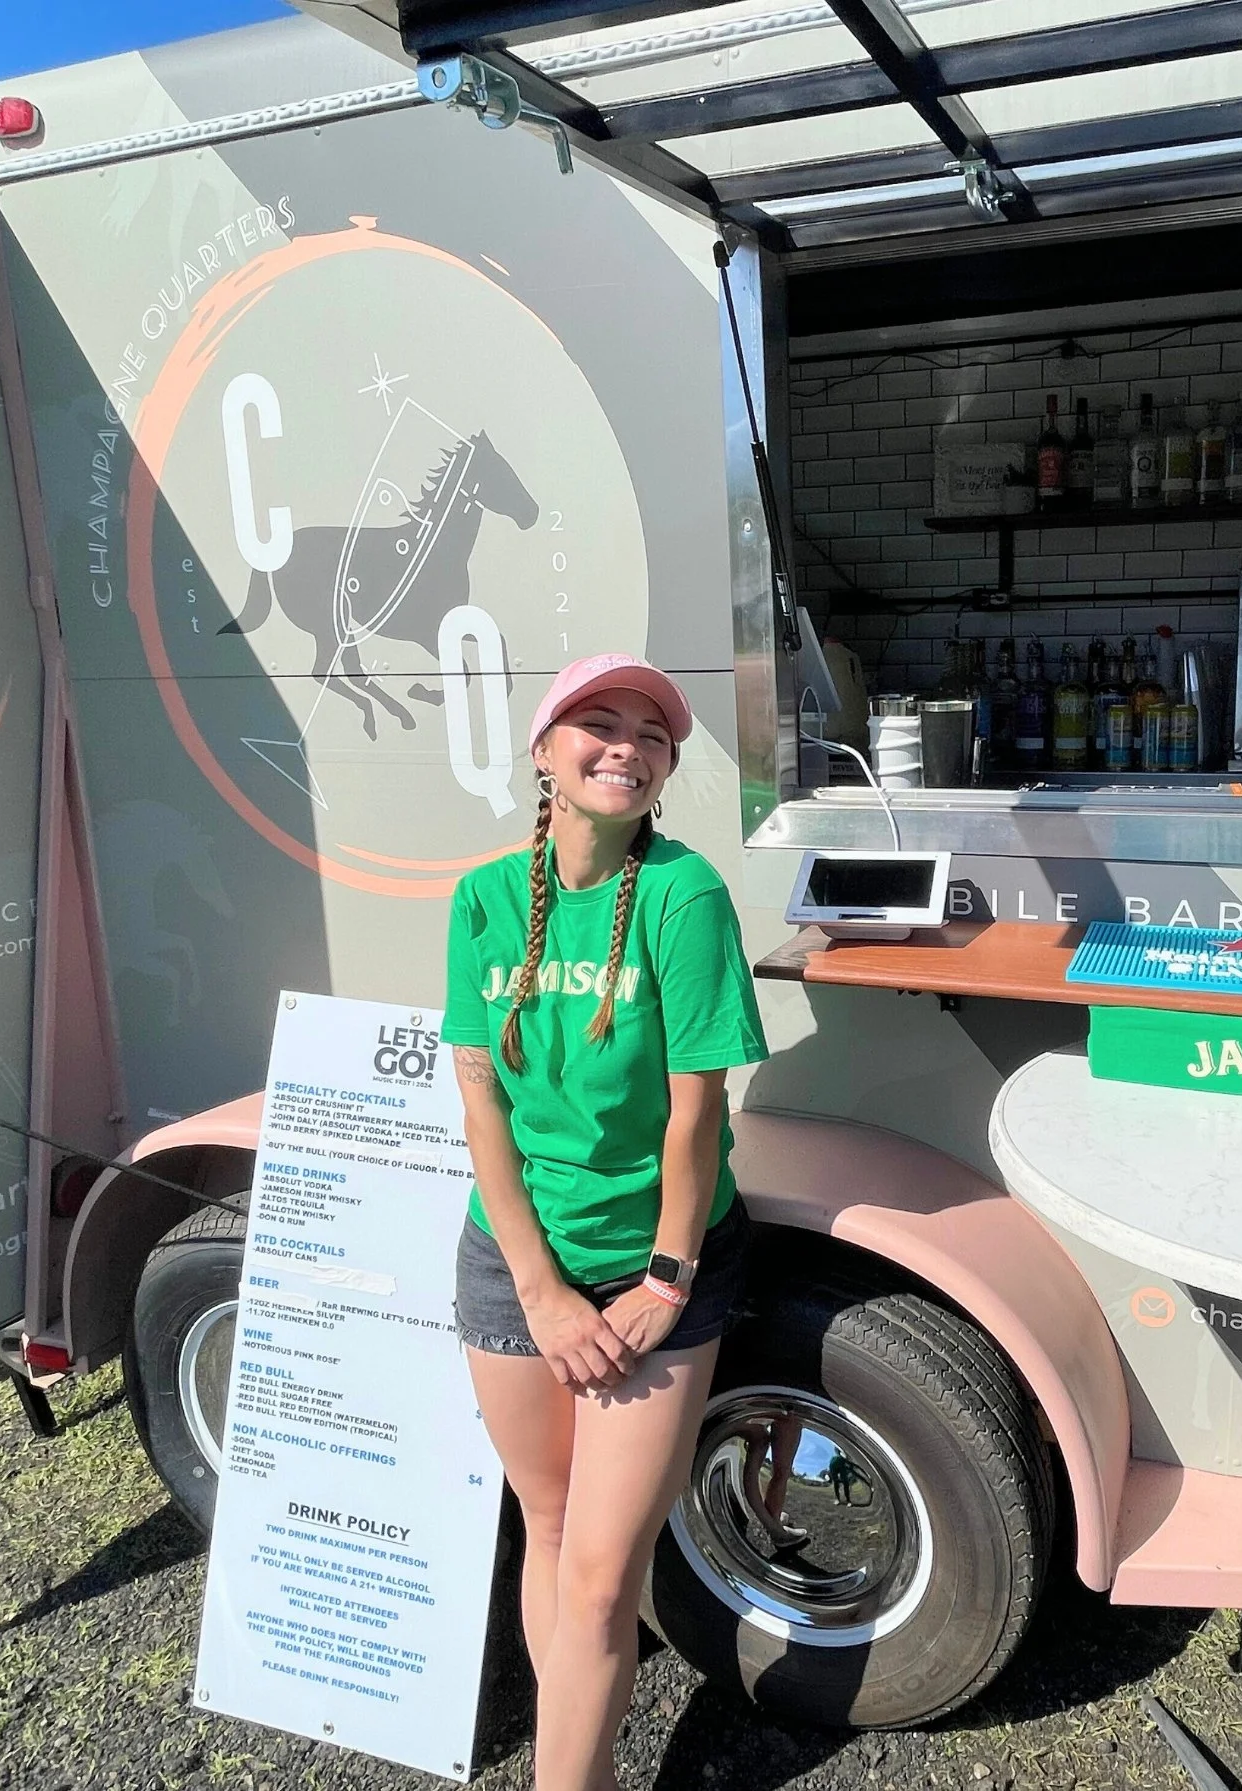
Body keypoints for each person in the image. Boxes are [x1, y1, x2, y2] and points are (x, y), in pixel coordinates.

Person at [441, 653, 768, 1791]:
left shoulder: (684, 896)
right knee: (546, 1518)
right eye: (597, 721)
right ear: (543, 751)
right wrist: (535, 1287)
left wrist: (663, 1282)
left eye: (652, 732)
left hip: (654, 1271)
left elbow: (695, 1117)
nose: (625, 743)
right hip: (514, 1257)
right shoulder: (482, 897)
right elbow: (480, 1098)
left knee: (598, 1577)